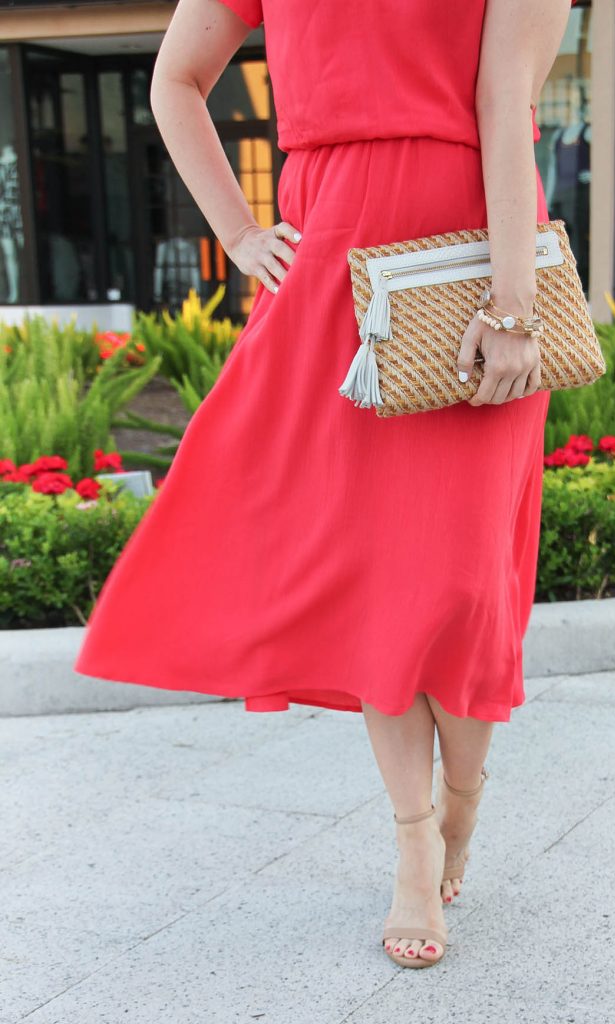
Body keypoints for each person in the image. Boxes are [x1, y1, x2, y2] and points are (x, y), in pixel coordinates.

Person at [74, 0, 577, 970]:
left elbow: (504, 100)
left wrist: (512, 301)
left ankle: (462, 801)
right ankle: (413, 841)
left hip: (474, 262)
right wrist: (239, 231)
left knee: (466, 587)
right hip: (330, 272)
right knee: (375, 580)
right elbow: (174, 81)